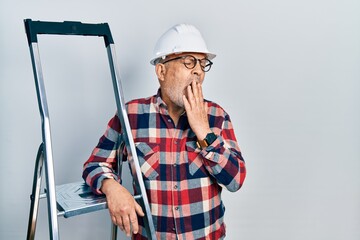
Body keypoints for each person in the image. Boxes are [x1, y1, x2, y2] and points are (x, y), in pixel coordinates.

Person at [83, 23, 246, 240]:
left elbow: (236, 180)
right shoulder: (131, 115)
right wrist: (112, 188)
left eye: (203, 63)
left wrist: (205, 133)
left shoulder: (216, 116)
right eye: (189, 61)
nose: (198, 70)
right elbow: (95, 164)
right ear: (161, 70)